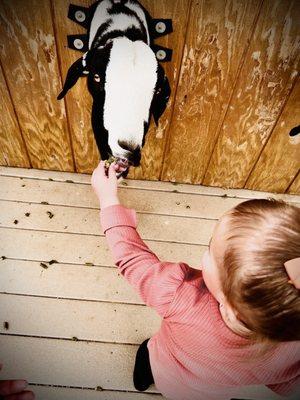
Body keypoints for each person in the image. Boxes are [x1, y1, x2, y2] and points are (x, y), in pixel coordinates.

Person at [91, 161, 300, 400]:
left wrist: (108, 200)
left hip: (170, 373)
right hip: (207, 393)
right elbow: (289, 384)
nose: (207, 251)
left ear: (229, 303)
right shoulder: (294, 339)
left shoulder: (181, 293)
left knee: (152, 359)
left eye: (210, 248)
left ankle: (147, 366)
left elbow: (131, 258)